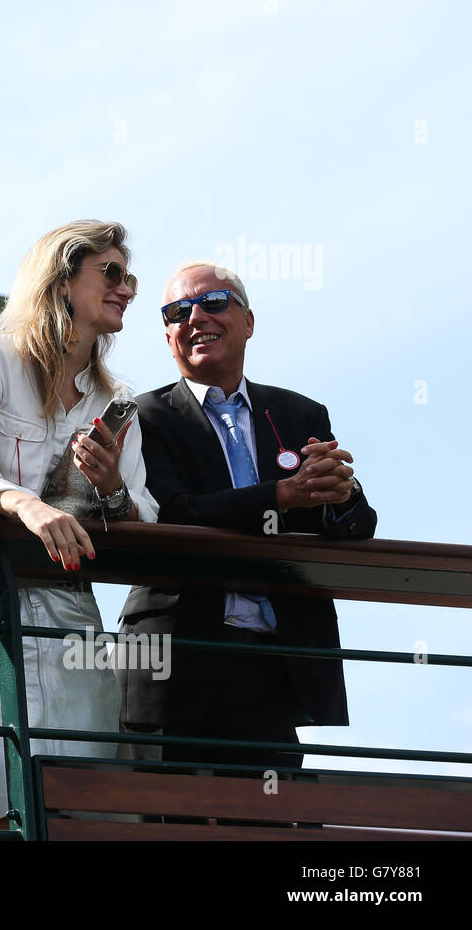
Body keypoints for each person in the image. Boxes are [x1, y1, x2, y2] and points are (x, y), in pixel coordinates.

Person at [0, 220, 158, 827]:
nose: (127, 289)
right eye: (110, 273)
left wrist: (112, 489)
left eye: (128, 276)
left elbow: (143, 525)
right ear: (61, 281)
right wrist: (28, 505)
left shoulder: (118, 408)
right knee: (13, 812)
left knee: (88, 816)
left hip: (73, 620)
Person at [119, 261, 377, 768]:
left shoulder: (301, 414)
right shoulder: (143, 416)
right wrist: (282, 495)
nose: (195, 317)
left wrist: (339, 495)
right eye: (176, 311)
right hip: (176, 654)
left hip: (273, 657)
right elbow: (175, 513)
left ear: (248, 322)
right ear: (167, 334)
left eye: (213, 302)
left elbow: (355, 526)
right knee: (170, 822)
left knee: (270, 821)